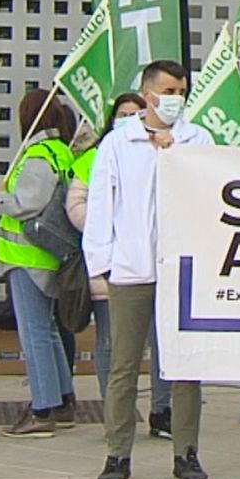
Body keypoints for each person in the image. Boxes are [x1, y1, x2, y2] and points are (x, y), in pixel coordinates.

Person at [87, 61, 213, 479]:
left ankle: (186, 452)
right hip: (131, 267)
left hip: (182, 268)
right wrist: (100, 263)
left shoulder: (197, 139)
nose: (175, 96)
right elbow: (102, 203)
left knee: (182, 365)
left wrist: (172, 148)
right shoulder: (119, 142)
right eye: (168, 89)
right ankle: (117, 452)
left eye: (181, 89)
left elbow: (212, 190)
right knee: (124, 364)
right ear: (147, 93)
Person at [0, 90, 78, 438]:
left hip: (26, 257)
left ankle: (42, 410)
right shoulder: (61, 152)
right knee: (49, 330)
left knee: (35, 333)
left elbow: (28, 204)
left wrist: (0, 197)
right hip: (49, 255)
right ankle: (63, 400)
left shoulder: (38, 155)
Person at [66, 93, 145, 400]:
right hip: (108, 268)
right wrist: (110, 228)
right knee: (110, 341)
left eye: (134, 114)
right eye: (122, 114)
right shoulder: (93, 157)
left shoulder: (160, 151)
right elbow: (75, 207)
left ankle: (160, 411)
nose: (127, 120)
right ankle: (112, 405)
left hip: (148, 267)